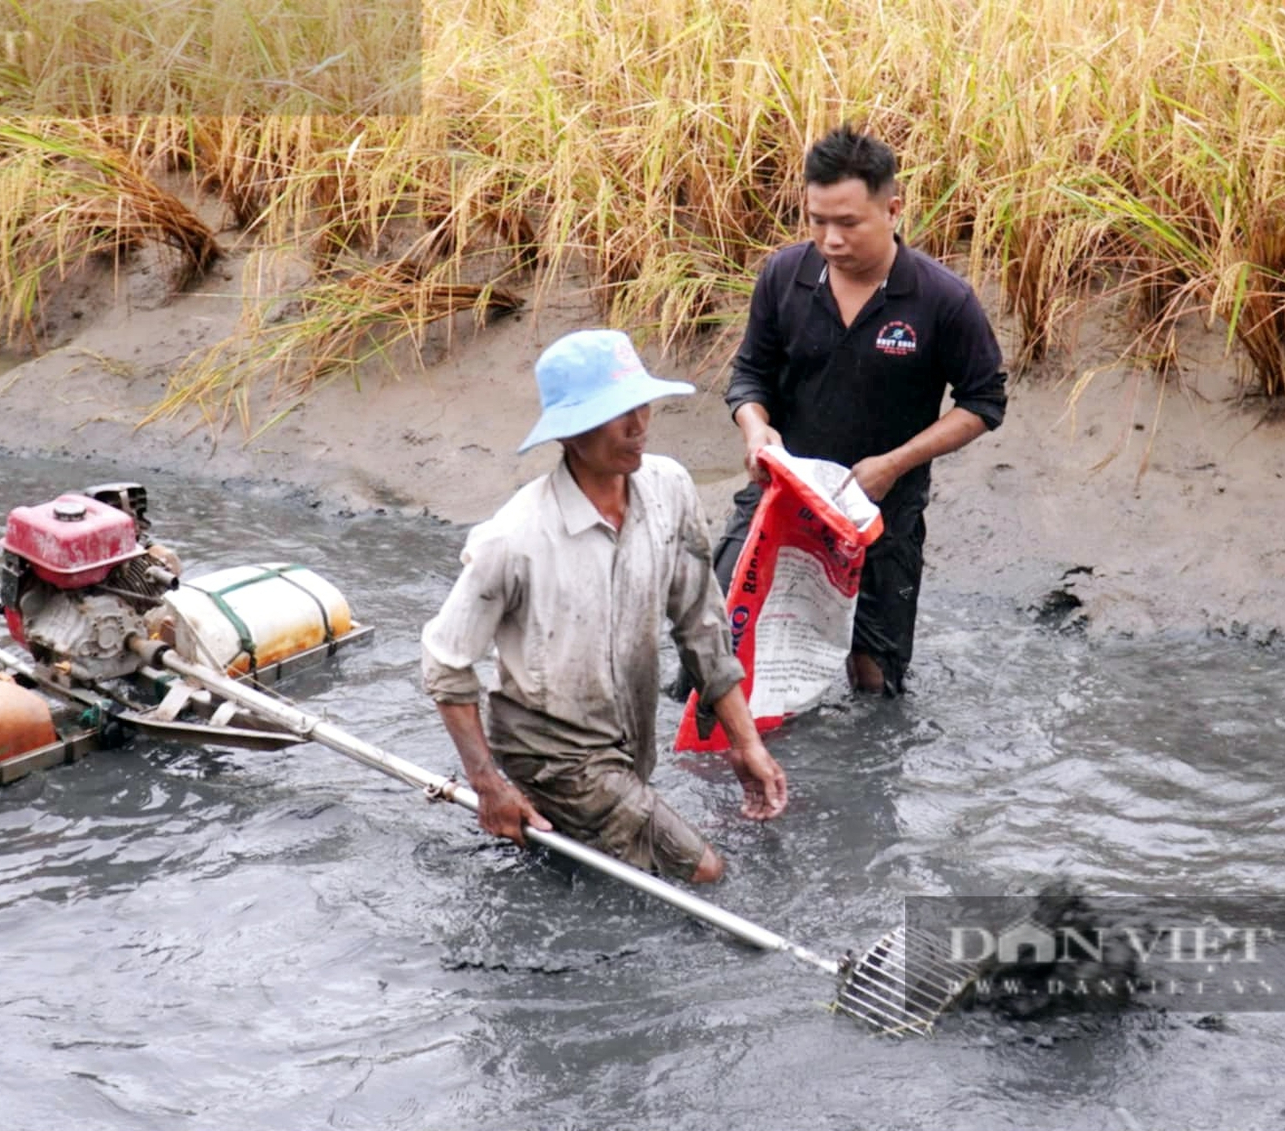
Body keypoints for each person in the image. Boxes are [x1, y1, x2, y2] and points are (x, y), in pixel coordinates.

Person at [421, 329, 789, 884]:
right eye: (617, 414)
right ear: (569, 433)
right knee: (706, 873)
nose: (638, 426)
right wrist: (487, 784)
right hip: (550, 750)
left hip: (626, 735)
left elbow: (702, 624)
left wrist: (745, 742)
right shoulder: (515, 538)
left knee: (593, 869)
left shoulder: (669, 489)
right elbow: (445, 663)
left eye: (641, 405)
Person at [718, 125, 1009, 696]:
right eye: (817, 220)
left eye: (848, 222)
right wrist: (756, 430)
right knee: (722, 651)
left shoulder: (942, 299)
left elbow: (983, 401)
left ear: (893, 208)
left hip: (881, 511)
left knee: (876, 685)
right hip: (780, 498)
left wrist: (895, 464)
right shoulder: (783, 276)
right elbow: (749, 374)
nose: (830, 238)